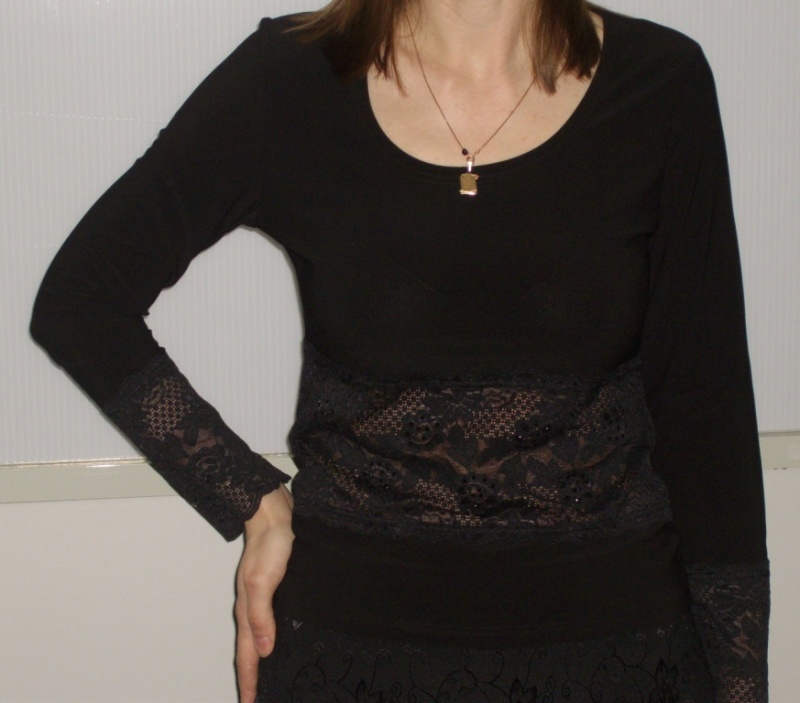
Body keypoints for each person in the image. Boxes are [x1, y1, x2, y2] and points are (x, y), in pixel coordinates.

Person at [30, 0, 770, 701]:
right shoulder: (288, 79)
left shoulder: (661, 83)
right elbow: (82, 303)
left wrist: (741, 682)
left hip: (622, 648)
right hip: (349, 651)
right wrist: (250, 498)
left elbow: (707, 410)